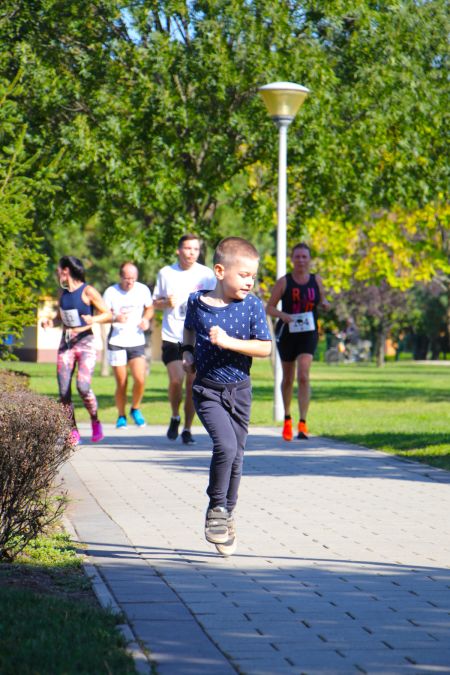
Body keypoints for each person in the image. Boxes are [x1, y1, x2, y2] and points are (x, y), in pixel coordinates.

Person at [182, 237, 272, 556]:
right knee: (226, 446)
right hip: (207, 389)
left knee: (237, 456)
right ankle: (216, 508)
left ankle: (227, 514)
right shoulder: (197, 302)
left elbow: (265, 347)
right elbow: (190, 330)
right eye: (244, 275)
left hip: (240, 392)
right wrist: (188, 352)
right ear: (220, 271)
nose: (250, 281)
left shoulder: (252, 306)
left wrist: (230, 342)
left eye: (253, 276)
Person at [153, 234, 216, 444]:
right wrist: (164, 302)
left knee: (191, 385)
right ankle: (174, 415)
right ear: (179, 250)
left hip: (198, 338)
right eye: (187, 248)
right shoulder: (166, 273)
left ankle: (187, 429)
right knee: (175, 380)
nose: (191, 252)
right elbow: (155, 303)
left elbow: (216, 300)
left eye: (195, 249)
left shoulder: (206, 275)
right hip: (173, 336)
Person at [42, 256, 112, 445]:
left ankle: (95, 421)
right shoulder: (62, 293)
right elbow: (60, 318)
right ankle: (72, 431)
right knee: (64, 391)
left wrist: (94, 320)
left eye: (59, 269)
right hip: (66, 345)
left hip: (86, 344)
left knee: (83, 386)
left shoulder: (87, 291)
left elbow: (108, 314)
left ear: (66, 271)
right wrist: (51, 322)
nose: (57, 273)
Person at [266, 243, 330, 442]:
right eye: (298, 256)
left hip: (308, 332)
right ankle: (287, 418)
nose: (301, 260)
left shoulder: (316, 280)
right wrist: (283, 315)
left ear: (309, 259)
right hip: (288, 333)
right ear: (292, 259)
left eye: (304, 256)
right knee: (288, 377)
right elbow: (269, 307)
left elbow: (322, 300)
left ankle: (303, 422)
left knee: (303, 375)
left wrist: (325, 304)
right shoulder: (284, 282)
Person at [103, 262, 154, 428]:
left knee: (140, 378)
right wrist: (114, 318)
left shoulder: (143, 290)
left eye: (133, 278)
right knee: (122, 382)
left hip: (136, 341)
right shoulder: (111, 292)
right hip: (116, 341)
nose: (130, 282)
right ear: (120, 277)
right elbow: (102, 314)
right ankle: (121, 415)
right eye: (126, 278)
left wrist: (146, 319)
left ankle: (135, 408)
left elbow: (150, 309)